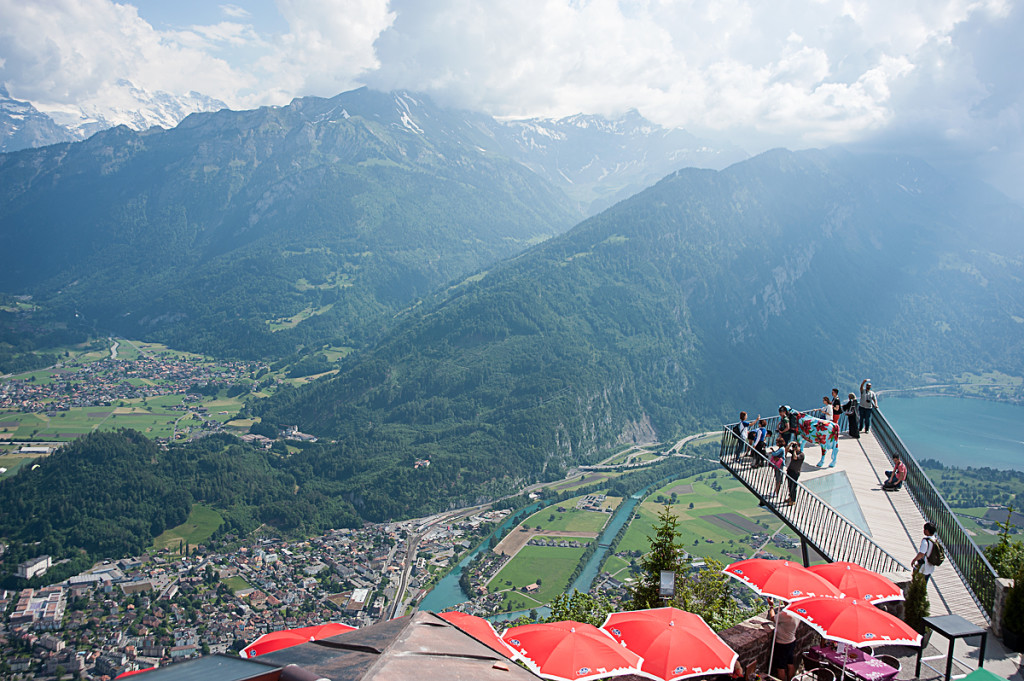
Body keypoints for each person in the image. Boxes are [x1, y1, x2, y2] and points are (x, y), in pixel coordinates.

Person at [769, 605, 800, 680]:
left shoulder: (785, 614)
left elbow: (773, 618)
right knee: (790, 663)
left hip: (782, 644)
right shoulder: (797, 612)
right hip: (791, 641)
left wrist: (771, 607)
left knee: (780, 667)